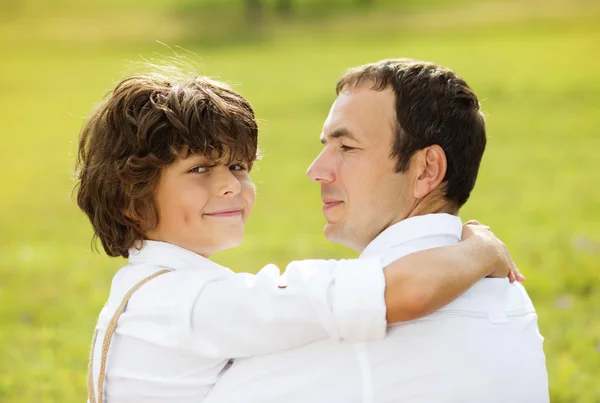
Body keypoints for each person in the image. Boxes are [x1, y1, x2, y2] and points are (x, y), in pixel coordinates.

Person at [77, 66, 518, 403]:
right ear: (129, 202)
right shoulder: (189, 304)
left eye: (237, 167)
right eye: (198, 170)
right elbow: (407, 292)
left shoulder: (149, 292)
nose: (231, 184)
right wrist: (482, 248)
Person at [203, 59, 549, 403]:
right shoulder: (510, 299)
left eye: (347, 147)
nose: (316, 170)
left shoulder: (350, 323)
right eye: (325, 146)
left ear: (427, 170)